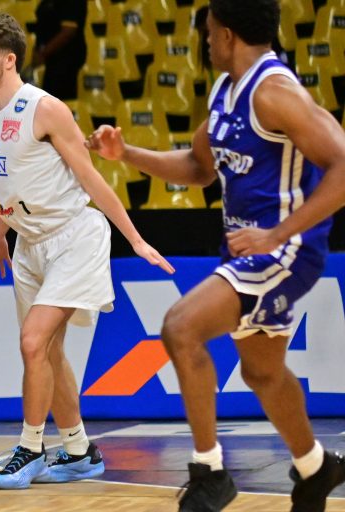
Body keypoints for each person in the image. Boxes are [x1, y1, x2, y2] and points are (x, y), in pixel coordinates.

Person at [88, 0, 345, 509]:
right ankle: (316, 467)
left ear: (227, 35)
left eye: (209, 33)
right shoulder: (228, 90)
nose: (205, 42)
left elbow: (342, 165)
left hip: (284, 251)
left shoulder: (275, 92)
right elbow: (198, 167)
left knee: (180, 327)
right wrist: (127, 154)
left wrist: (277, 234)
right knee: (261, 372)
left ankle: (209, 471)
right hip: (250, 252)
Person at [0, 14, 174, 490]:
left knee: (33, 342)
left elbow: (90, 178)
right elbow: (11, 186)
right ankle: (79, 451)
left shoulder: (45, 108)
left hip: (74, 237)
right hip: (28, 242)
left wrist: (135, 239)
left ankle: (30, 448)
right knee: (48, 352)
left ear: (9, 60)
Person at [26, 0, 87, 101]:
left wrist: (43, 53)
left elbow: (68, 32)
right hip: (50, 60)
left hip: (65, 60)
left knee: (60, 101)